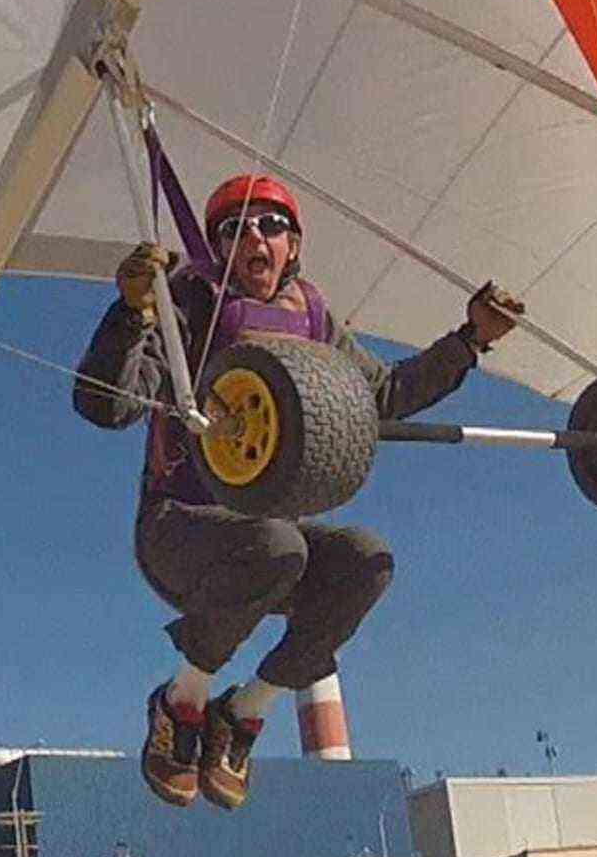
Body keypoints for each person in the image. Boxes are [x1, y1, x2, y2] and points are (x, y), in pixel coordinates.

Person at [73, 173, 523, 811]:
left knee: (367, 560)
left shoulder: (311, 316)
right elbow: (107, 405)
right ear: (217, 248)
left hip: (267, 545)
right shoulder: (192, 301)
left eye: (270, 225)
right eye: (235, 229)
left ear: (293, 244)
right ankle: (181, 706)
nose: (254, 236)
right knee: (276, 545)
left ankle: (244, 713)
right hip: (180, 530)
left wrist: (469, 339)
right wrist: (131, 313)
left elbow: (386, 395)